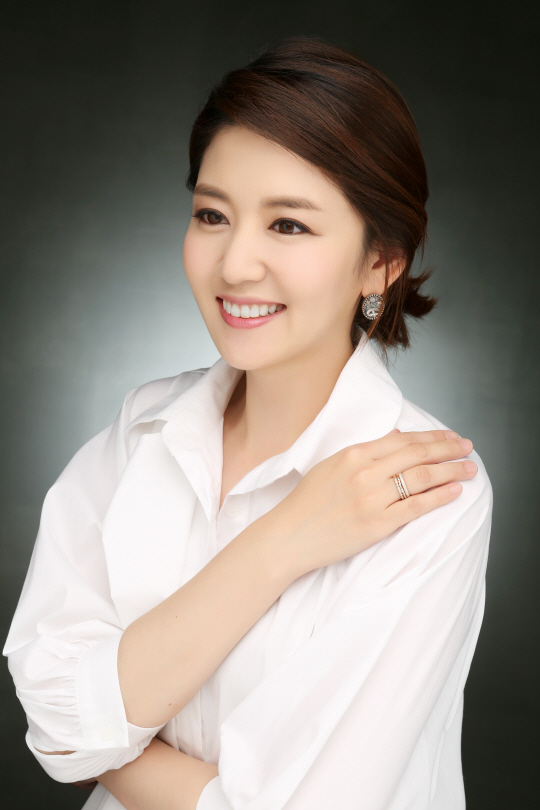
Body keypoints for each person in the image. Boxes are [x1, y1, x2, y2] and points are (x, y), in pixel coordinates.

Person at [2, 37, 492, 810]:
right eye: (212, 214)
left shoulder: (431, 490)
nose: (234, 265)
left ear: (381, 262)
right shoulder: (143, 428)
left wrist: (110, 740)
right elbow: (53, 721)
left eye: (288, 225)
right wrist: (283, 541)